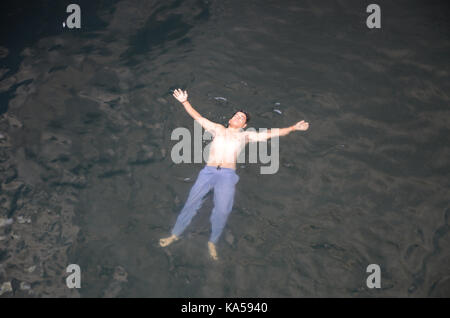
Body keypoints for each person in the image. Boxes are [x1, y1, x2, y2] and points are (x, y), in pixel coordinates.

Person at [159, 89, 309, 260]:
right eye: (236, 115)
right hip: (208, 172)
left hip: (227, 176)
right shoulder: (217, 129)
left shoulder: (246, 136)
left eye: (242, 118)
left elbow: (270, 133)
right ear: (230, 119)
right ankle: (175, 234)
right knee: (191, 203)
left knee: (223, 210)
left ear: (244, 125)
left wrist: (293, 128)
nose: (238, 117)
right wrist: (184, 102)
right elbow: (198, 117)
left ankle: (212, 241)